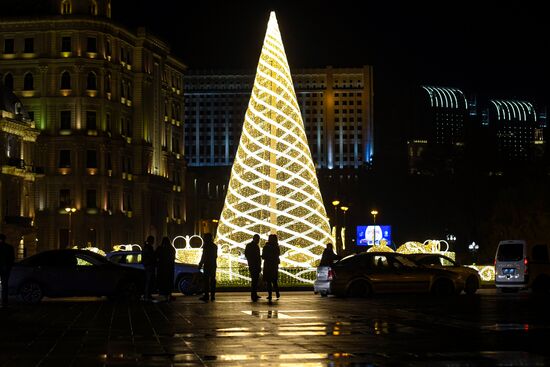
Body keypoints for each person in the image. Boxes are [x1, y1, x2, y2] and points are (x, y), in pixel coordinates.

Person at [198, 233, 218, 302]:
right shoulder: (214, 246)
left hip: (207, 265)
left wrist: (201, 263)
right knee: (212, 281)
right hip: (213, 265)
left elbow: (204, 256)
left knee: (206, 281)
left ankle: (206, 295)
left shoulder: (206, 246)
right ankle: (212, 296)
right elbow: (215, 256)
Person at [155, 236, 175, 302]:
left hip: (162, 268)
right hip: (169, 268)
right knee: (168, 281)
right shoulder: (171, 249)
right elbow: (172, 258)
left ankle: (164, 295)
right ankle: (169, 294)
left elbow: (156, 256)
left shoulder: (160, 248)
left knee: (163, 282)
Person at [261, 234, 280, 303]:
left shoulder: (266, 247)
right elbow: (278, 255)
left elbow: (263, 256)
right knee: (274, 280)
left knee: (269, 281)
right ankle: (277, 292)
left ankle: (270, 295)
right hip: (274, 266)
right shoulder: (276, 247)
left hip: (268, 265)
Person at [244, 234, 262, 302]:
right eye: (258, 239)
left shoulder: (249, 245)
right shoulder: (253, 246)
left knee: (255, 280)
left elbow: (246, 254)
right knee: (254, 280)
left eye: (258, 239)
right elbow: (256, 257)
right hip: (254, 265)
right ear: (255, 239)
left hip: (253, 265)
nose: (258, 241)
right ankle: (253, 294)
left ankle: (254, 293)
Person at [0, 234, 14, 308]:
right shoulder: (9, 247)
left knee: (4, 285)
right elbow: (12, 259)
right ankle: (4, 301)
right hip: (6, 269)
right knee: (5, 285)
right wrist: (9, 267)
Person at [142, 235, 156, 301]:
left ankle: (147, 295)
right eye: (153, 240)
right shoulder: (148, 247)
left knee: (148, 281)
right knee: (149, 281)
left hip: (147, 265)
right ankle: (147, 295)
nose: (154, 241)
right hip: (149, 266)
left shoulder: (146, 247)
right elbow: (151, 256)